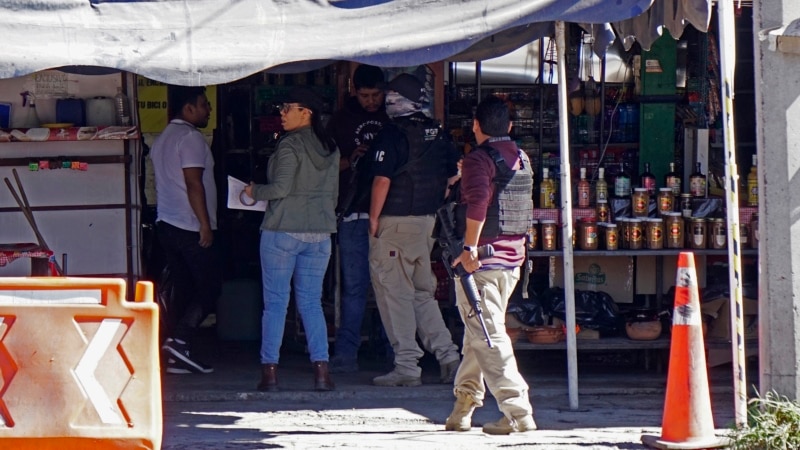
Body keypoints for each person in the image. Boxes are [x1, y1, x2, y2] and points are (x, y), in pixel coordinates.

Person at [444, 95, 537, 435]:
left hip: (481, 262)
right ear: (509, 128)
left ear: (476, 127)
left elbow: (479, 204)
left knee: (487, 334)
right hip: (512, 262)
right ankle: (463, 406)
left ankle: (517, 411)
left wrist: (469, 247)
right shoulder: (523, 158)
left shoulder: (478, 160)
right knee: (477, 332)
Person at [367, 72, 461, 387]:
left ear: (401, 101)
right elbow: (454, 173)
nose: (387, 103)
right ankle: (449, 357)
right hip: (426, 225)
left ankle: (407, 366)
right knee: (422, 295)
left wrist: (373, 219)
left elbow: (382, 180)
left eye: (391, 97)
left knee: (395, 294)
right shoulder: (438, 133)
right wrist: (438, 196)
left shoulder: (391, 134)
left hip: (395, 223)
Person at [243, 86, 339, 392]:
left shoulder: (289, 146)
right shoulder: (330, 147)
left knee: (275, 305)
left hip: (282, 230)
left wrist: (253, 191)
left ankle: (269, 373)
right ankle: (322, 373)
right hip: (320, 234)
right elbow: (334, 195)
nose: (281, 114)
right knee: (311, 303)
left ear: (305, 112)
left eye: (287, 108)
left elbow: (280, 189)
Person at [326, 64, 392, 373]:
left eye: (376, 95)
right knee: (354, 288)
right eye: (365, 96)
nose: (371, 102)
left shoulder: (393, 116)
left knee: (390, 287)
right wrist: (351, 159)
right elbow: (324, 168)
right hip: (352, 211)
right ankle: (346, 354)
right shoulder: (341, 121)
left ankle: (391, 351)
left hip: (391, 214)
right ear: (354, 92)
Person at [151, 86, 220, 375]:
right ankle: (179, 341)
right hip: (189, 225)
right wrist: (205, 224)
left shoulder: (163, 137)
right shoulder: (190, 138)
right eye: (204, 105)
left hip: (167, 223)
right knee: (210, 288)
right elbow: (194, 184)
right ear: (188, 109)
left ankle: (176, 353)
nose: (208, 110)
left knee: (184, 289)